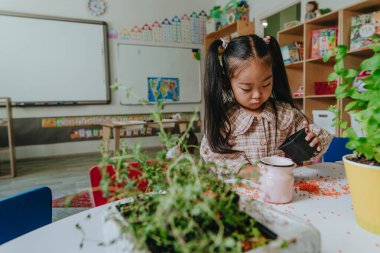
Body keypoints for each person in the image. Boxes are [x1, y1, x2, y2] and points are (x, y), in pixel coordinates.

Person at [200, 35, 333, 180]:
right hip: (242, 195)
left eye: (265, 85)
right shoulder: (225, 118)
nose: (257, 95)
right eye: (246, 88)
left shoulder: (286, 113)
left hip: (285, 191)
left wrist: (314, 141)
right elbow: (212, 155)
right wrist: (247, 170)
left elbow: (315, 135)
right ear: (227, 82)